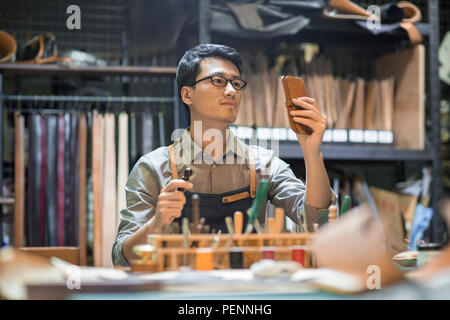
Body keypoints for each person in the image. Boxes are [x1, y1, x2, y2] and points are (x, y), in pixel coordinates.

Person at [112, 43, 335, 266]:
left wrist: (312, 151)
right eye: (218, 81)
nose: (231, 91)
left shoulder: (263, 165)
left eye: (236, 83)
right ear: (187, 94)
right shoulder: (153, 168)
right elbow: (122, 257)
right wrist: (158, 222)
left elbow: (316, 221)